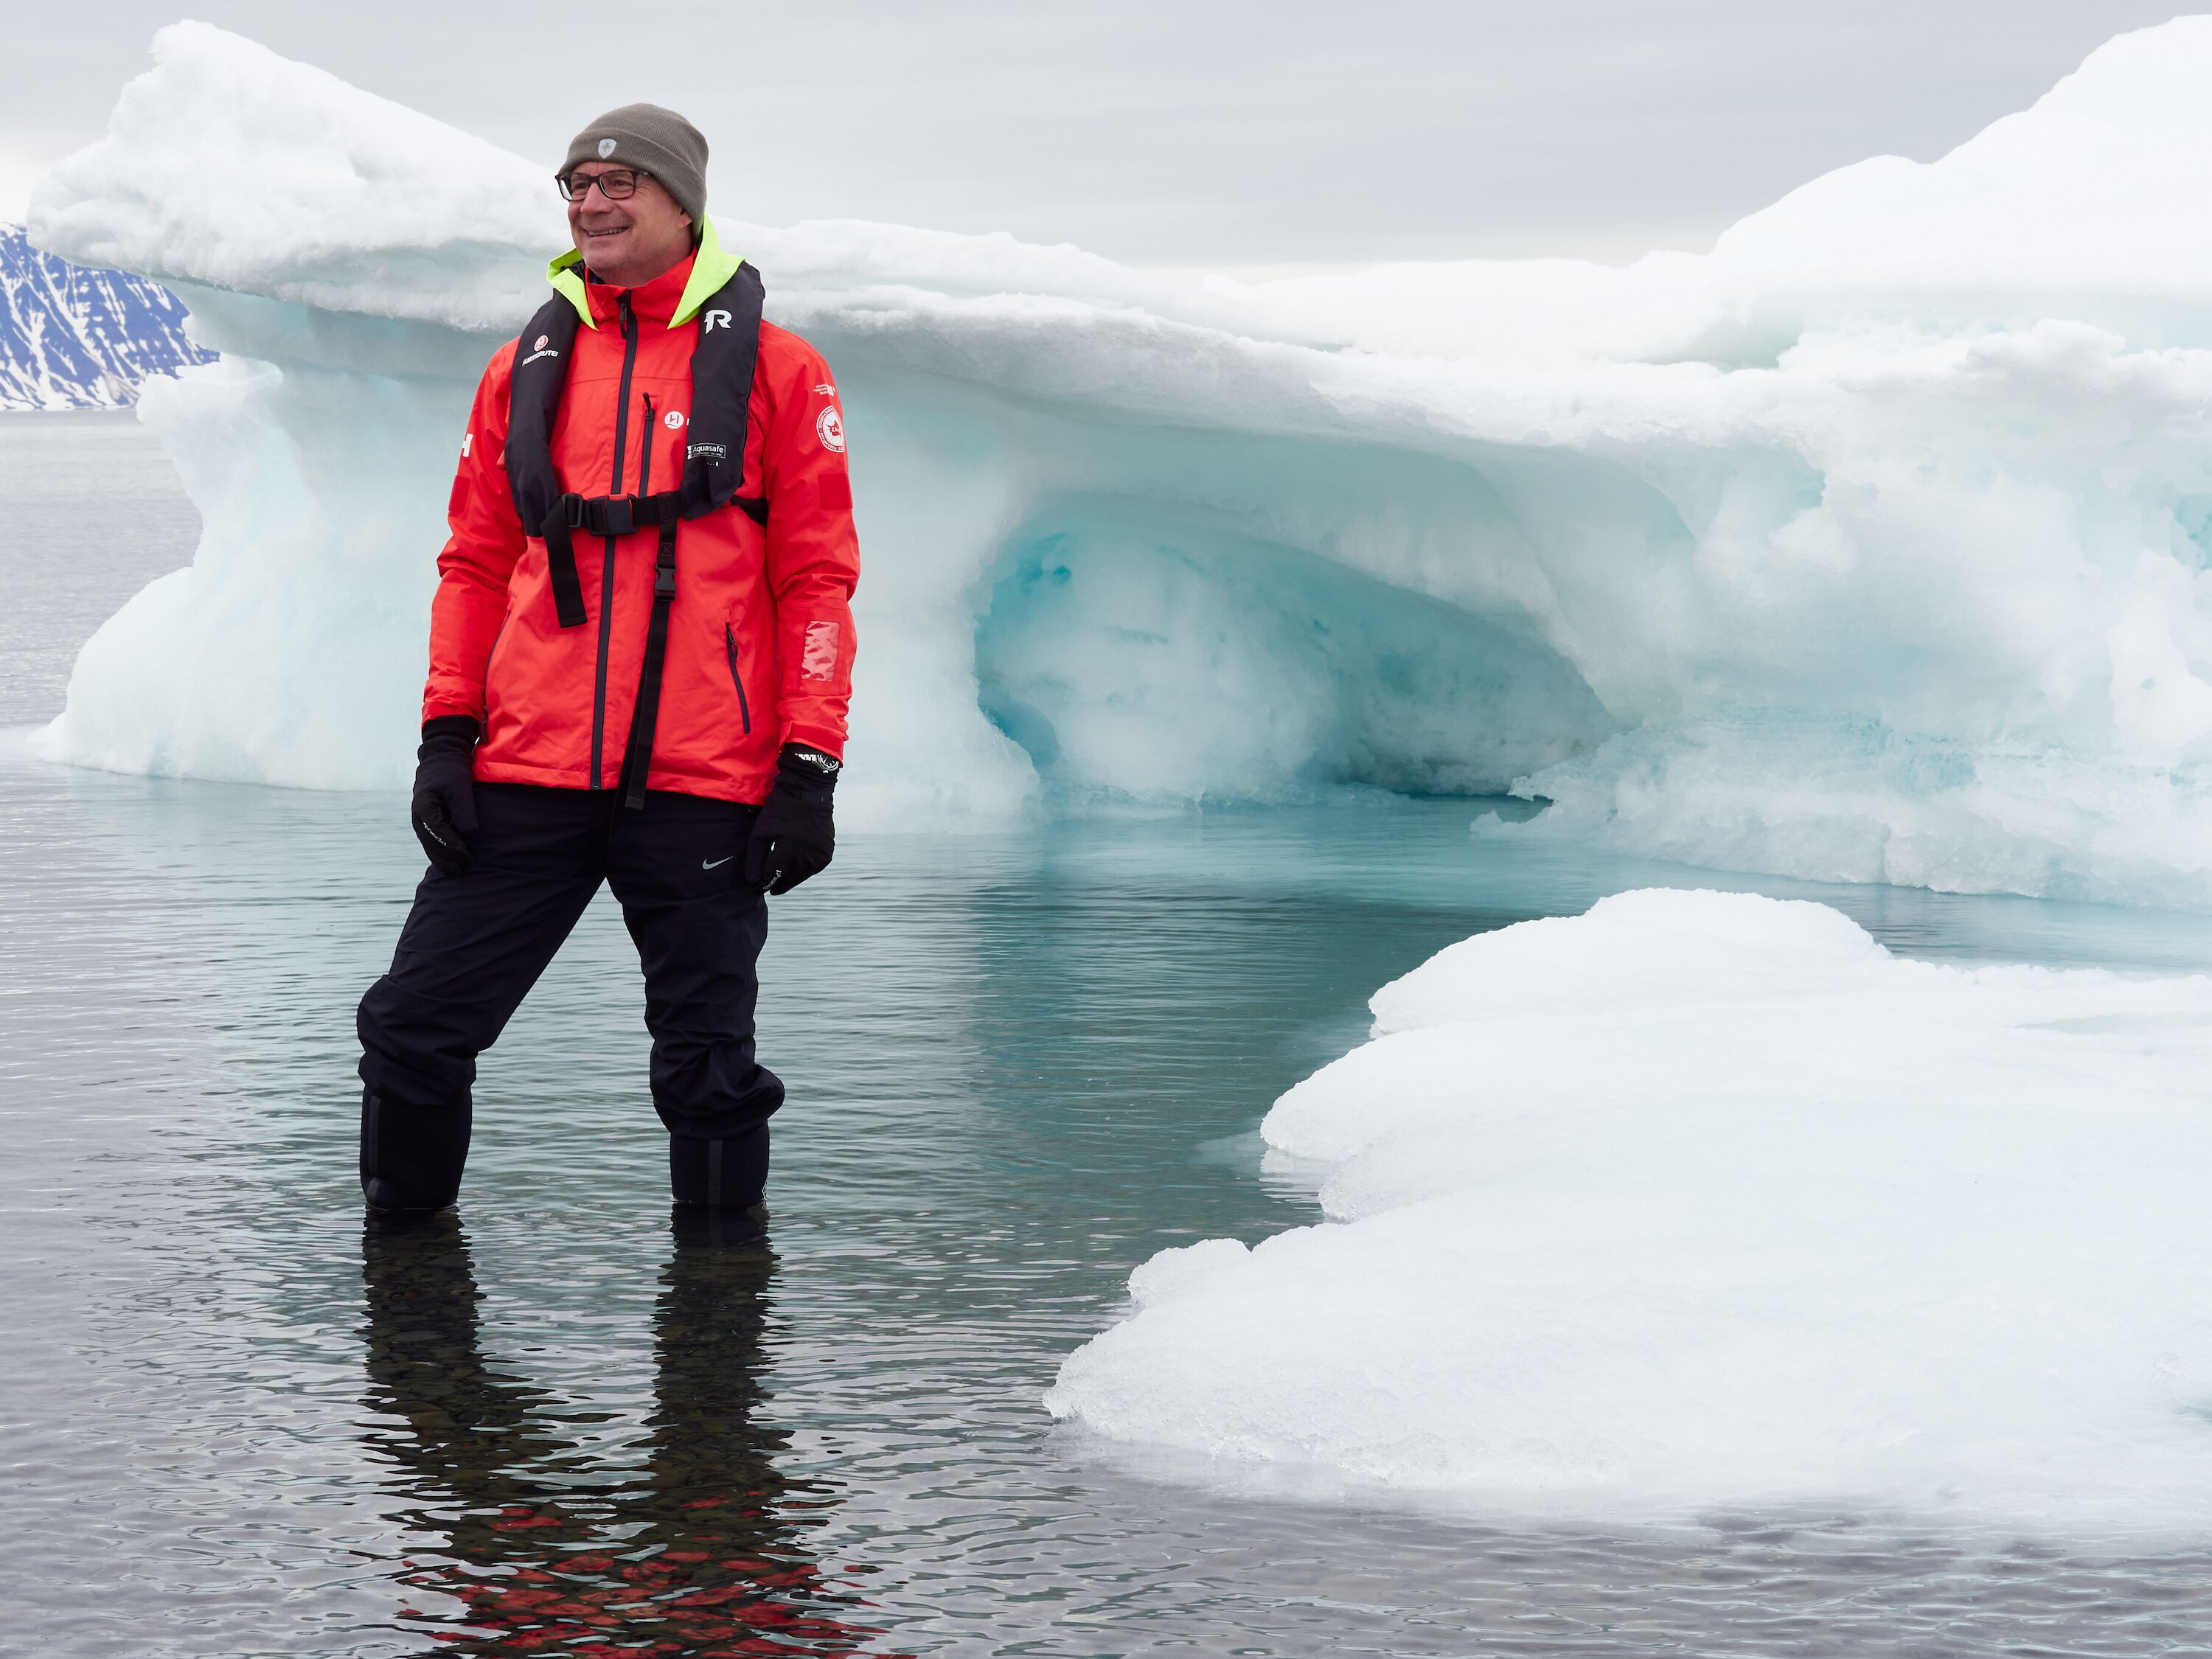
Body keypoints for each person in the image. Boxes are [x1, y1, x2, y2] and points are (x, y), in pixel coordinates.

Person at [355, 105, 858, 1217]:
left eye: (621, 181)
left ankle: (717, 1353)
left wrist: (808, 765)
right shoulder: (521, 369)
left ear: (683, 202)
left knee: (708, 1070)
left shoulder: (780, 370)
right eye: (576, 184)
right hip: (525, 769)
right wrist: (446, 736)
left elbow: (816, 580)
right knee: (410, 1027)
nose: (592, 201)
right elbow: (474, 563)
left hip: (703, 781)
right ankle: (408, 1311)